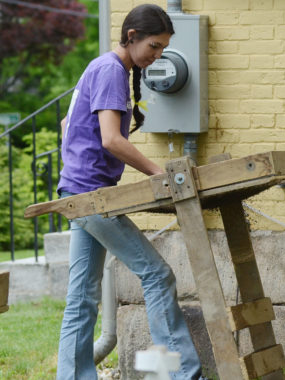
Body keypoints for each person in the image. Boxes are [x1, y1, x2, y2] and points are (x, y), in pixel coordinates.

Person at [55, 4, 202, 380]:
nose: (157, 56)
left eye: (163, 49)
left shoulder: (105, 67)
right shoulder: (110, 71)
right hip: (91, 196)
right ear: (132, 37)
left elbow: (66, 123)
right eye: (153, 46)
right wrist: (158, 172)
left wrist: (74, 166)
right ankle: (183, 375)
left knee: (82, 297)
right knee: (157, 275)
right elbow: (110, 139)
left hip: (79, 191)